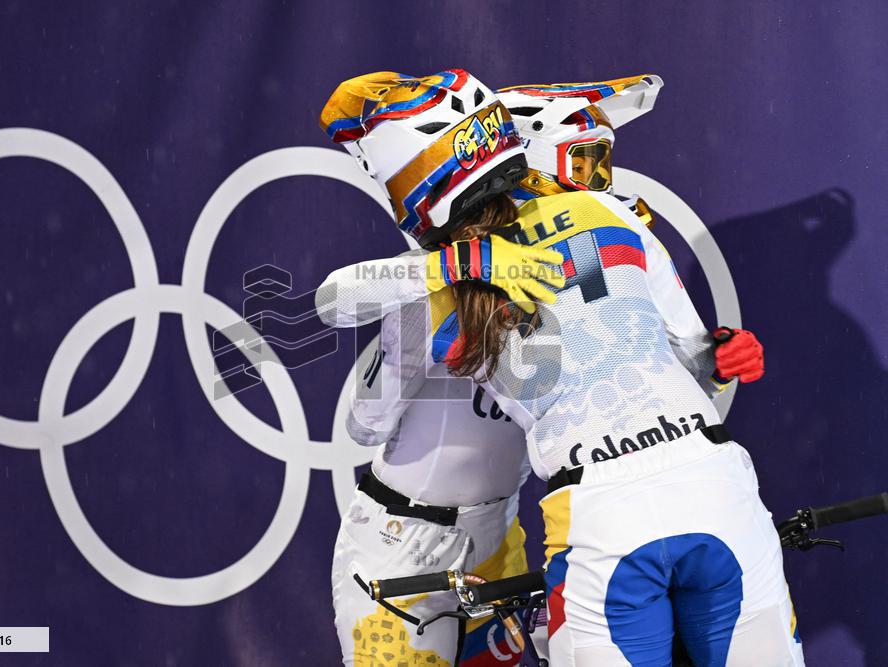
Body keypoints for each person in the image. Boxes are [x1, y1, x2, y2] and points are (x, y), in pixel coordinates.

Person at [322, 71, 802, 665]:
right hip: (698, 477)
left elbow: (356, 382)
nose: (598, 177)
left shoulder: (439, 279)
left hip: (549, 514)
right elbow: (677, 357)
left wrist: (457, 275)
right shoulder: (600, 218)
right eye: (584, 157)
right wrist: (713, 360)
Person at [318, 69, 564, 666]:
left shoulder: (450, 275)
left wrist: (707, 363)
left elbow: (365, 423)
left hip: (495, 540)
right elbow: (333, 306)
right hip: (404, 553)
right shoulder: (444, 283)